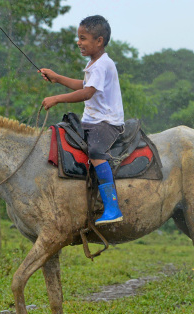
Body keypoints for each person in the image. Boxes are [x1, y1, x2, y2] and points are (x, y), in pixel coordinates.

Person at [39, 15, 124, 225]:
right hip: (91, 120)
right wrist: (57, 78)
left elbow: (87, 93)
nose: (79, 42)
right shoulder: (93, 63)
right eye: (79, 37)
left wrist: (57, 98)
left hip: (107, 122)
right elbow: (83, 84)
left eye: (83, 38)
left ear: (99, 41)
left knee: (95, 152)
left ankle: (112, 206)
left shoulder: (102, 65)